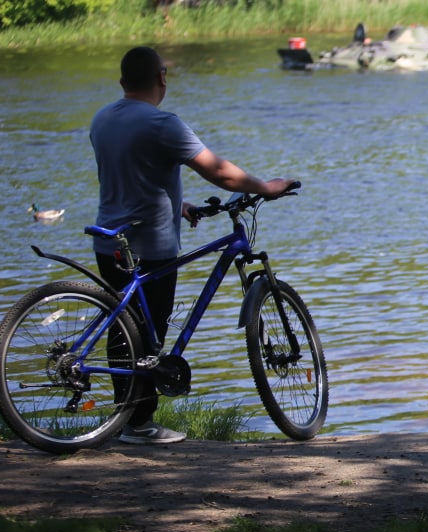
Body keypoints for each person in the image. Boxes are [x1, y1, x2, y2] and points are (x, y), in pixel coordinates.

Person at [90, 46, 294, 444]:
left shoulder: (103, 119)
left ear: (121, 83)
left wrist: (176, 203)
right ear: (162, 77)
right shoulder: (162, 123)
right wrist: (266, 187)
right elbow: (221, 174)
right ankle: (140, 425)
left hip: (109, 242)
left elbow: (129, 174)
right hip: (150, 245)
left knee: (123, 332)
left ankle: (124, 419)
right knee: (149, 336)